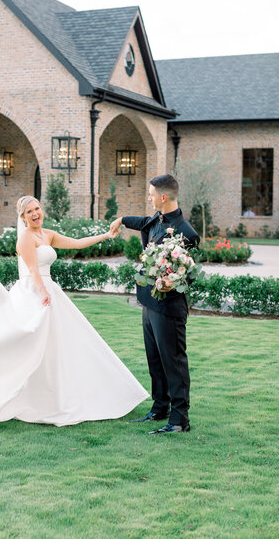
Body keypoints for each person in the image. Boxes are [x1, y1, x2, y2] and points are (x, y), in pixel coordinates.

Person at [0, 195, 149, 426]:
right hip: (33, 293)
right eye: (29, 211)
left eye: (37, 208)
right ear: (23, 217)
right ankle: (23, 395)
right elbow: (32, 269)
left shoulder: (47, 234)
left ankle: (61, 393)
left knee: (59, 344)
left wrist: (106, 235)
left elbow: (76, 242)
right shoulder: (25, 239)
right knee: (30, 341)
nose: (35, 213)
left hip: (48, 291)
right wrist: (42, 291)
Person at [110, 174, 199, 434]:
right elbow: (141, 222)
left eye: (150, 194)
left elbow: (190, 273)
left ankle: (180, 419)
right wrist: (121, 220)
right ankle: (160, 408)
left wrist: (172, 282)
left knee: (174, 361)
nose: (148, 198)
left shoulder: (186, 232)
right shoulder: (155, 220)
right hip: (148, 302)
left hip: (169, 308)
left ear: (162, 197)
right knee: (154, 359)